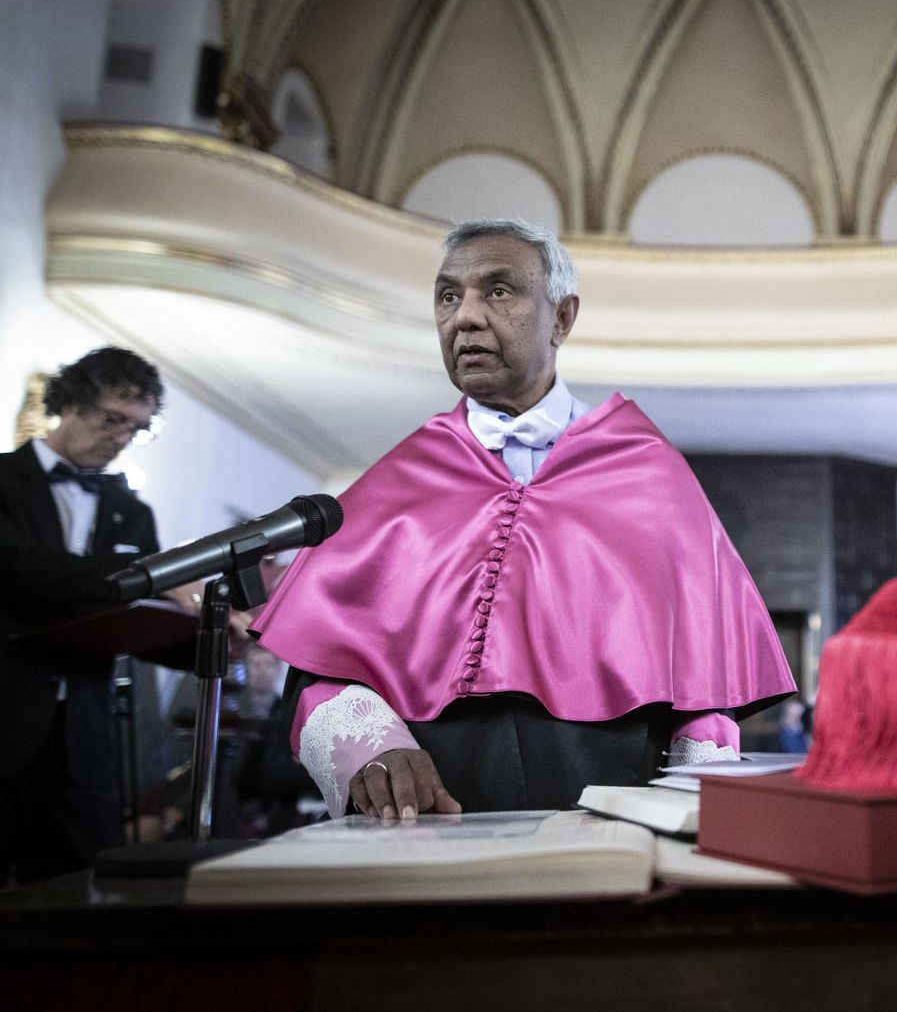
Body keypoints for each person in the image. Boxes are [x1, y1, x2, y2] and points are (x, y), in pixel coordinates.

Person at [252, 221, 795, 820]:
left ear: (562, 318)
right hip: (430, 819)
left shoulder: (651, 474)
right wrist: (373, 747)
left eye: (499, 291)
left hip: (612, 810)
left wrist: (699, 799)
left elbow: (705, 676)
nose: (465, 317)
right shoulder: (397, 481)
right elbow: (319, 668)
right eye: (448, 296)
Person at [0, 346, 165, 882]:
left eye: (136, 428)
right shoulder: (4, 480)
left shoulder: (134, 513)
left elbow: (144, 621)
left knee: (81, 893)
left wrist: (218, 629)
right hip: (6, 713)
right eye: (112, 419)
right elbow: (17, 569)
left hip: (85, 742)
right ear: (70, 402)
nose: (121, 437)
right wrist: (141, 573)